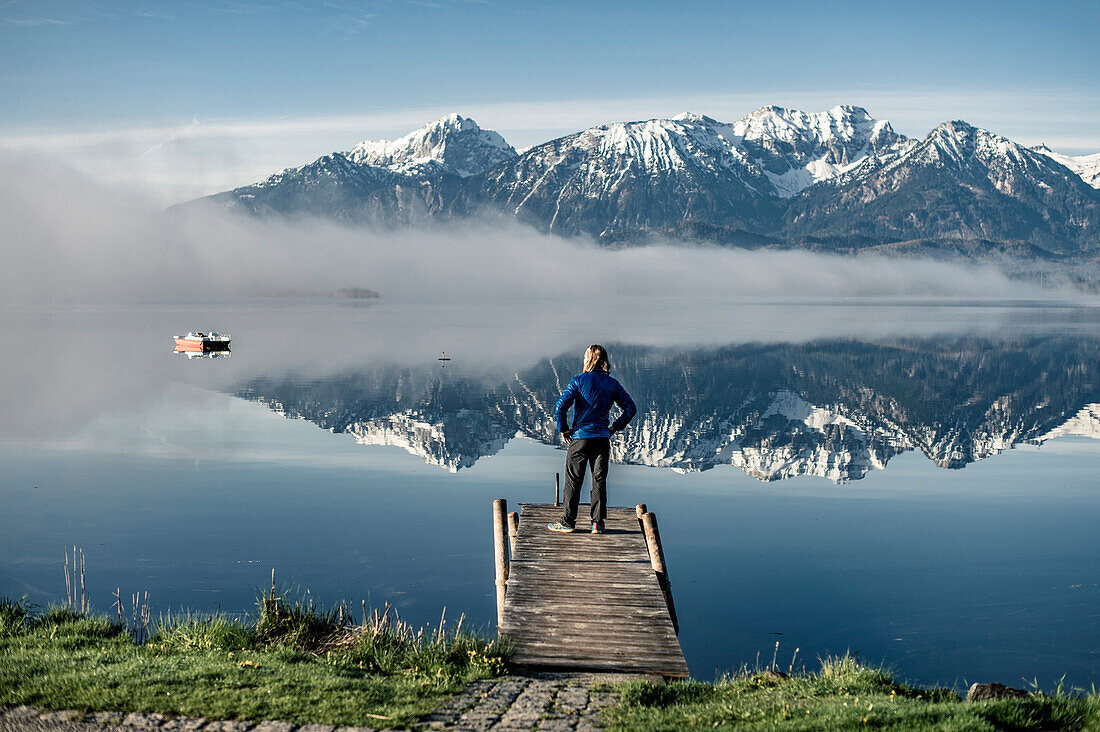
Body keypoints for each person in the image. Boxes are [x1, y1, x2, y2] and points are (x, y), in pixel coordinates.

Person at [548, 344, 637, 535]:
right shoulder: (612, 384)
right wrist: (614, 427)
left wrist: (563, 429)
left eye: (584, 356)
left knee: (573, 481)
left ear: (590, 359)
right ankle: (597, 523)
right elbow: (631, 408)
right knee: (599, 481)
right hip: (602, 438)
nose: (582, 359)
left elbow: (560, 407)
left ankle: (568, 522)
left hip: (580, 438)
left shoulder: (578, 381)